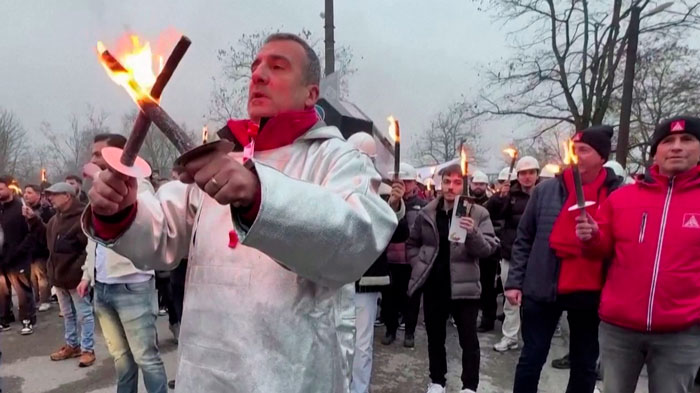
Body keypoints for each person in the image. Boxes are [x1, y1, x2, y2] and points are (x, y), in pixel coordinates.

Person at [84, 33, 397, 392]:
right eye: (255, 67)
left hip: (293, 374)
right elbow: (160, 236)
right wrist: (121, 210)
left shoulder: (337, 159)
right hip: (204, 373)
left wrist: (258, 195)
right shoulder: (224, 158)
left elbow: (356, 239)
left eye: (277, 66)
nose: (258, 75)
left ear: (312, 93)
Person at [576, 116, 700, 393]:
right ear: (656, 151)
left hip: (681, 332)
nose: (677, 147)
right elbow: (601, 251)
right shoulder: (623, 198)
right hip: (619, 329)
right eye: (668, 141)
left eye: (687, 140)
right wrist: (591, 237)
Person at [505, 126, 624, 393]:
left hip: (591, 290)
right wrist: (515, 281)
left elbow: (622, 245)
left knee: (584, 362)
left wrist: (597, 235)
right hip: (544, 285)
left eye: (585, 150)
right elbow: (524, 237)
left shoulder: (617, 195)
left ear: (601, 157)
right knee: (532, 357)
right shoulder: (546, 191)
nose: (577, 155)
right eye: (574, 149)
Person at [78, 133, 168, 393]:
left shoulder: (138, 185)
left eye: (98, 154)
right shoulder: (100, 192)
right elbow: (93, 239)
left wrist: (115, 191)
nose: (92, 159)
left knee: (146, 359)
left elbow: (151, 220)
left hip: (133, 286)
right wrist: (87, 275)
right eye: (92, 154)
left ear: (117, 155)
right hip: (103, 287)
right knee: (122, 360)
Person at [407, 164, 498, 393]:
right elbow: (412, 243)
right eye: (447, 181)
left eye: (457, 182)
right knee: (435, 337)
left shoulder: (478, 213)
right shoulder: (427, 212)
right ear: (440, 183)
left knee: (468, 339)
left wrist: (473, 233)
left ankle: (469, 386)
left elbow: (488, 249)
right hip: (435, 285)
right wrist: (419, 263)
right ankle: (437, 381)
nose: (451, 187)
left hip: (464, 287)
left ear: (464, 185)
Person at [352, 180, 408, 393]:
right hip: (332, 278)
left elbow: (401, 234)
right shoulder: (331, 182)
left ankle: (359, 389)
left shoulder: (382, 194)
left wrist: (392, 206)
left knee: (362, 345)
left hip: (365, 279)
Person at [487, 156, 540, 351]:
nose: (527, 177)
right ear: (517, 175)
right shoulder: (510, 195)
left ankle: (533, 340)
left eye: (531, 173)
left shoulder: (543, 194)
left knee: (535, 301)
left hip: (537, 257)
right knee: (510, 300)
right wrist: (499, 197)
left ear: (537, 174)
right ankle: (510, 337)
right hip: (511, 254)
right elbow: (491, 213)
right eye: (523, 173)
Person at [40, 182, 95, 366]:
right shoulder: (55, 220)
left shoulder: (82, 218)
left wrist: (79, 271)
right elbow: (46, 242)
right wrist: (33, 221)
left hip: (76, 277)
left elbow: (88, 249)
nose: (51, 198)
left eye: (55, 194)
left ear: (68, 196)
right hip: (58, 277)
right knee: (68, 314)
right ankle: (72, 345)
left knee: (84, 314)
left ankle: (88, 349)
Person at [383, 162, 427, 348]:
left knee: (412, 299)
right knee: (390, 299)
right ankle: (390, 330)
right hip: (391, 260)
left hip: (412, 261)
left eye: (408, 181)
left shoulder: (423, 206)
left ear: (415, 184)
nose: (404, 185)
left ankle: (409, 332)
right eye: (401, 181)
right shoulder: (386, 203)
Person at [0, 176, 36, 334]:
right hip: (2, 259)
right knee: (2, 291)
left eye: (1, 189)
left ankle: (27, 320)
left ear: (9, 188)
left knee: (22, 291)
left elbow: (30, 233)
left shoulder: (20, 207)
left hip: (19, 258)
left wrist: (18, 251)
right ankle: (4, 318)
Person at [467, 170, 500, 333]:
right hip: (468, 250)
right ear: (471, 185)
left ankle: (488, 319)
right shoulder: (465, 202)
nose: (478, 187)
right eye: (476, 184)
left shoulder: (493, 203)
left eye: (481, 184)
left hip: (487, 251)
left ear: (486, 186)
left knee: (487, 287)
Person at [23, 184, 55, 312]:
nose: (26, 195)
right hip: (29, 250)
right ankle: (37, 299)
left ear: (38, 194)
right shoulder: (24, 209)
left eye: (30, 192)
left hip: (41, 249)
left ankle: (45, 299)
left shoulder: (45, 210)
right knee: (32, 277)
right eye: (25, 192)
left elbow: (47, 229)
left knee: (42, 275)